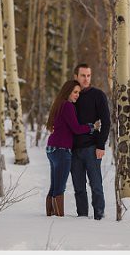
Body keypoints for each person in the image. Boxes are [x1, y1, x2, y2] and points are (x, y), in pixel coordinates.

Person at [45, 80, 93, 217]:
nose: (77, 95)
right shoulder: (68, 106)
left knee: (54, 185)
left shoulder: (58, 104)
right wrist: (91, 127)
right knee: (59, 187)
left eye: (78, 92)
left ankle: (50, 216)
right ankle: (58, 218)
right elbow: (77, 129)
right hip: (61, 150)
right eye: (75, 92)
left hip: (52, 148)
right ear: (68, 92)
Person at [70, 63, 110, 220]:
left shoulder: (98, 95)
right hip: (73, 150)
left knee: (96, 186)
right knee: (79, 188)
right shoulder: (72, 96)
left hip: (92, 148)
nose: (86, 79)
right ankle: (82, 218)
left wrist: (101, 145)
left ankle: (99, 217)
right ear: (76, 77)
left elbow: (106, 122)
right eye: (82, 76)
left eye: (88, 76)